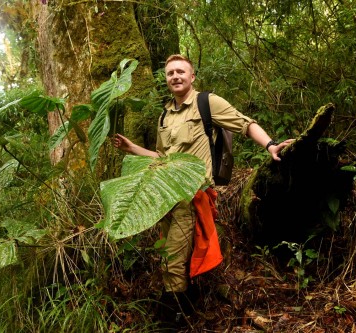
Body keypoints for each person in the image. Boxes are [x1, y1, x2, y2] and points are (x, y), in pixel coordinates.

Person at [113, 54, 293, 324]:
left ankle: (173, 317)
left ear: (192, 76)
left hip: (191, 196)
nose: (175, 76)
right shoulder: (165, 115)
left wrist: (270, 145)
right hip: (166, 197)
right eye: (170, 73)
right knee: (169, 254)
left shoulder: (207, 103)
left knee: (173, 258)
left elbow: (245, 124)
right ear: (166, 79)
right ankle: (187, 305)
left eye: (180, 72)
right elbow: (163, 158)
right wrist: (132, 149)